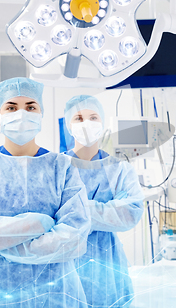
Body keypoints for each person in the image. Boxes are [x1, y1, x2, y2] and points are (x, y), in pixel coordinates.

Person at [0, 78, 91, 308]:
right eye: (11, 107)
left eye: (31, 107)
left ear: (40, 115)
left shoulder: (63, 167)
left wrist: (1, 242)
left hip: (54, 294)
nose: (22, 114)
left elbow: (74, 237)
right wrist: (39, 224)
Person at [63, 95, 144, 308]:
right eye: (78, 118)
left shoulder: (119, 169)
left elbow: (130, 212)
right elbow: (46, 213)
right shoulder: (55, 167)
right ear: (68, 126)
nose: (86, 124)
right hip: (62, 267)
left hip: (107, 269)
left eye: (93, 117)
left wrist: (75, 210)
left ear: (103, 123)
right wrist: (104, 211)